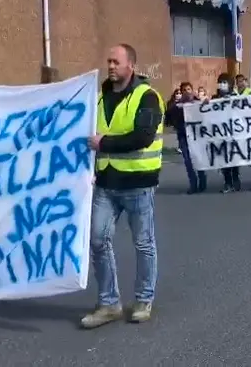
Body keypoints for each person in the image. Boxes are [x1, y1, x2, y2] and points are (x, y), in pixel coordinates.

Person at [82, 43, 164, 329]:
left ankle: (143, 299)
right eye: (109, 61)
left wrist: (103, 143)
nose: (111, 66)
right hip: (106, 182)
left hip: (138, 184)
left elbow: (142, 137)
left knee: (143, 243)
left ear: (131, 65)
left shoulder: (148, 97)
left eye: (116, 61)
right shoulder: (100, 98)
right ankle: (109, 303)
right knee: (97, 240)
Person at [166, 81, 206, 194]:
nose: (186, 92)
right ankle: (193, 185)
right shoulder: (177, 106)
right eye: (184, 90)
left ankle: (202, 183)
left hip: (197, 137)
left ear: (192, 90)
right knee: (188, 162)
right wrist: (178, 105)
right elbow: (168, 114)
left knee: (199, 160)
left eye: (188, 89)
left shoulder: (198, 102)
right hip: (183, 137)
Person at [212, 74, 242, 192]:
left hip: (233, 133)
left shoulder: (235, 96)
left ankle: (235, 181)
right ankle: (228, 183)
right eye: (220, 82)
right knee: (224, 161)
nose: (222, 85)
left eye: (225, 82)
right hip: (220, 134)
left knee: (234, 160)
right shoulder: (215, 98)